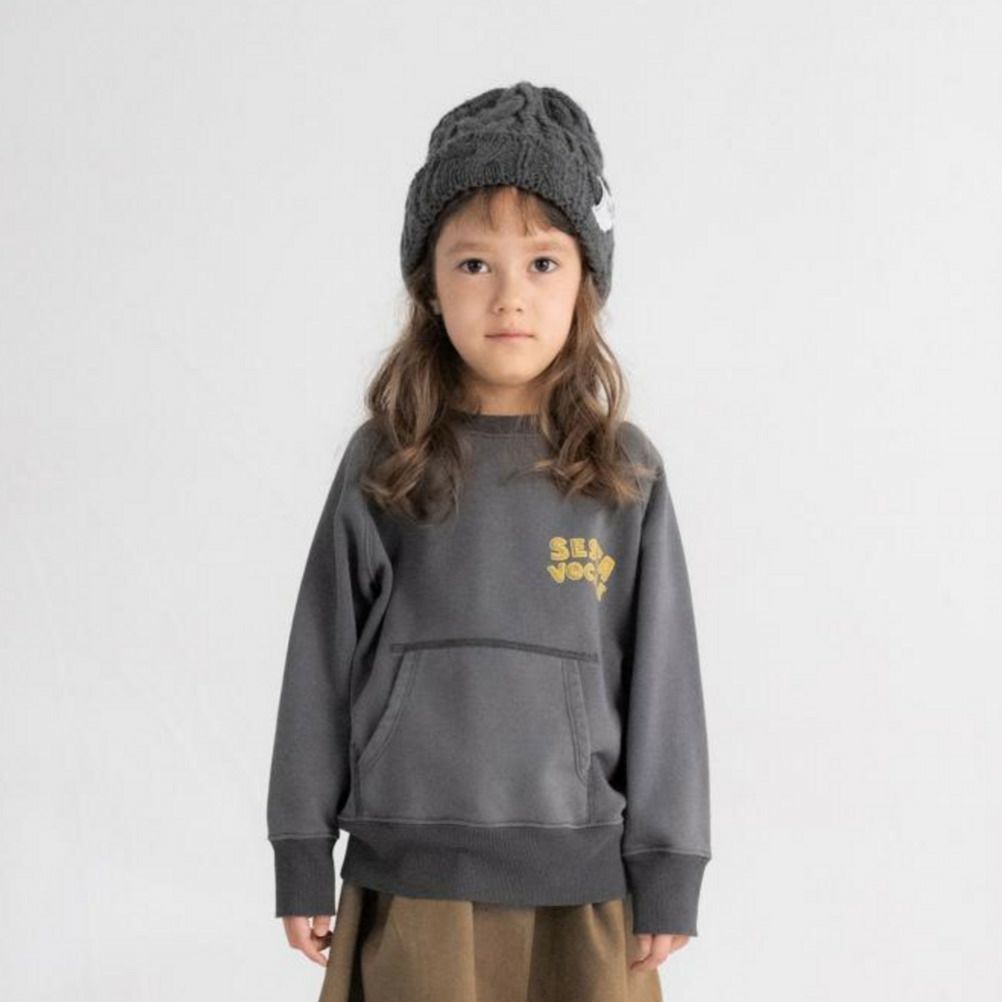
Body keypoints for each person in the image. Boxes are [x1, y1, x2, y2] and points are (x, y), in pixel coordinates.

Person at [266, 80, 712, 1002]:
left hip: (582, 888)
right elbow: (318, 661)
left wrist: (669, 864)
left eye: (543, 262)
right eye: (474, 264)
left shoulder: (624, 476)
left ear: (586, 282)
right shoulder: (385, 464)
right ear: (430, 285)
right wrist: (302, 847)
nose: (510, 297)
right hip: (411, 880)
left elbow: (665, 682)